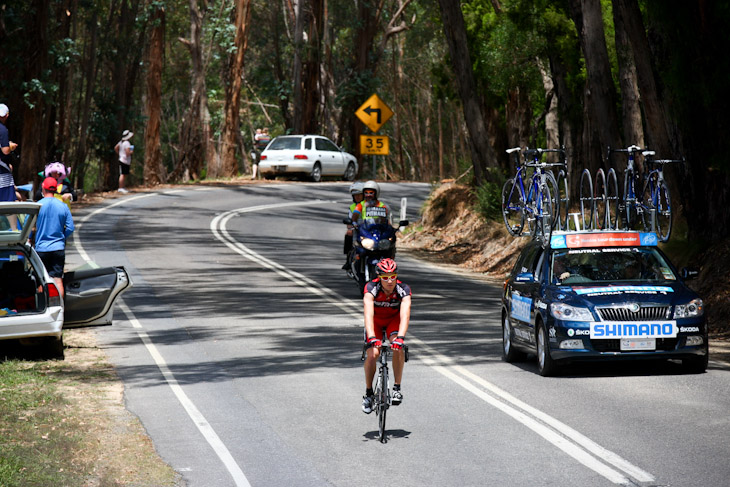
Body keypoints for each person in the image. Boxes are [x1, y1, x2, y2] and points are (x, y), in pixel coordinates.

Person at [361, 258, 412, 414]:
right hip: (375, 322)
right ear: (379, 277)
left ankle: (396, 388)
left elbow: (405, 315)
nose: (390, 280)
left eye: (393, 276)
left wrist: (401, 338)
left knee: (397, 347)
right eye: (385, 277)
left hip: (393, 322)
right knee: (373, 354)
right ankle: (369, 393)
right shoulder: (371, 288)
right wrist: (372, 338)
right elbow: (368, 315)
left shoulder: (403, 289)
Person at [35, 177, 75, 299]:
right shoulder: (63, 206)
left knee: (41, 280)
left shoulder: (37, 206)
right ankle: (60, 309)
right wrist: (61, 238)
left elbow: (28, 224)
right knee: (58, 280)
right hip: (58, 248)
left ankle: (43, 308)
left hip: (41, 249)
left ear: (43, 187)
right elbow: (70, 227)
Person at [342, 181, 364, 270]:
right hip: (357, 229)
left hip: (369, 229)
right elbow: (349, 222)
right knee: (348, 235)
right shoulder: (352, 207)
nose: (357, 197)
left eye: (359, 194)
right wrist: (350, 228)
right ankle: (348, 259)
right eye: (355, 195)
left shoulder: (369, 205)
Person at [0, 103, 19, 203]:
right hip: (2, 173)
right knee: (7, 204)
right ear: (6, 115)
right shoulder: (2, 130)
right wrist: (11, 147)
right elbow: (5, 150)